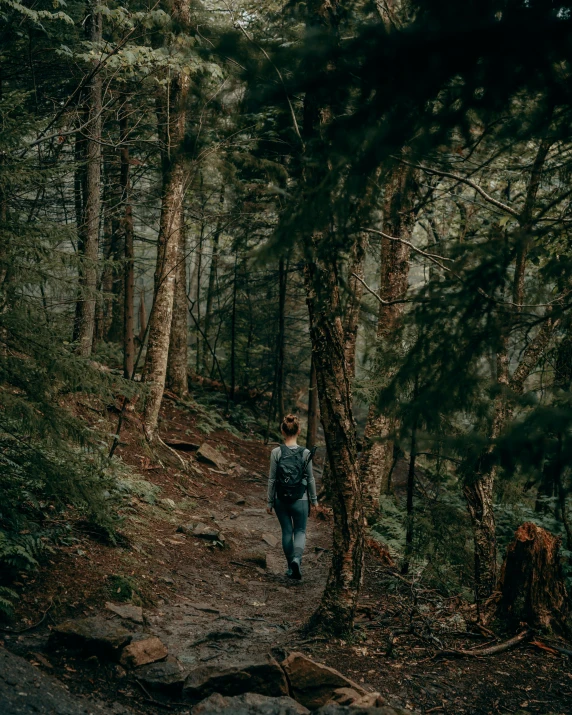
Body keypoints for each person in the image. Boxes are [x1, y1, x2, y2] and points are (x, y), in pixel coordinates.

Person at [266, 414, 318, 580]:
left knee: (287, 531)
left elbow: (272, 479)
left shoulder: (276, 452)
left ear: (282, 431)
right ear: (299, 431)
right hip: (300, 499)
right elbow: (310, 478)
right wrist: (314, 500)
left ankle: (290, 568)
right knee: (300, 531)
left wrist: (269, 502)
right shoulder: (305, 453)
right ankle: (297, 559)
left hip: (281, 499)